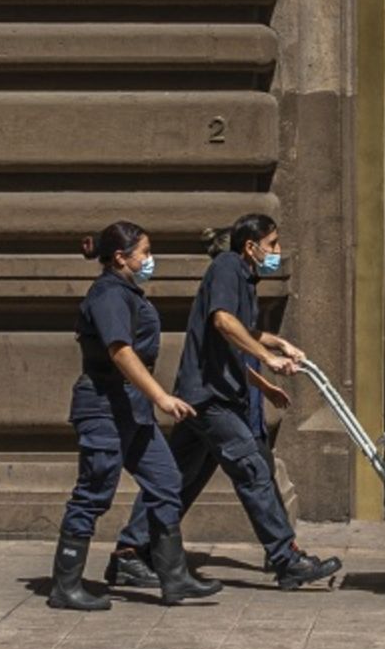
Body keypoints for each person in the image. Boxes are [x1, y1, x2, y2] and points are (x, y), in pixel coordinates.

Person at [113, 213, 346, 594]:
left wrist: (275, 343)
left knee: (176, 479)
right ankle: (286, 560)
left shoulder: (243, 277)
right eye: (272, 244)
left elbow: (235, 334)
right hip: (211, 400)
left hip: (209, 397)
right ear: (250, 247)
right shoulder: (227, 268)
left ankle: (130, 551)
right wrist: (267, 360)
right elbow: (222, 321)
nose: (277, 252)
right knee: (252, 471)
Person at [49, 220, 215, 612]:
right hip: (103, 408)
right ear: (121, 257)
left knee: (166, 480)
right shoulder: (108, 295)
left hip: (130, 411)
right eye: (144, 252)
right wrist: (161, 397)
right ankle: (65, 586)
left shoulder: (127, 293)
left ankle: (174, 579)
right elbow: (120, 351)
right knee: (94, 491)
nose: (150, 259)